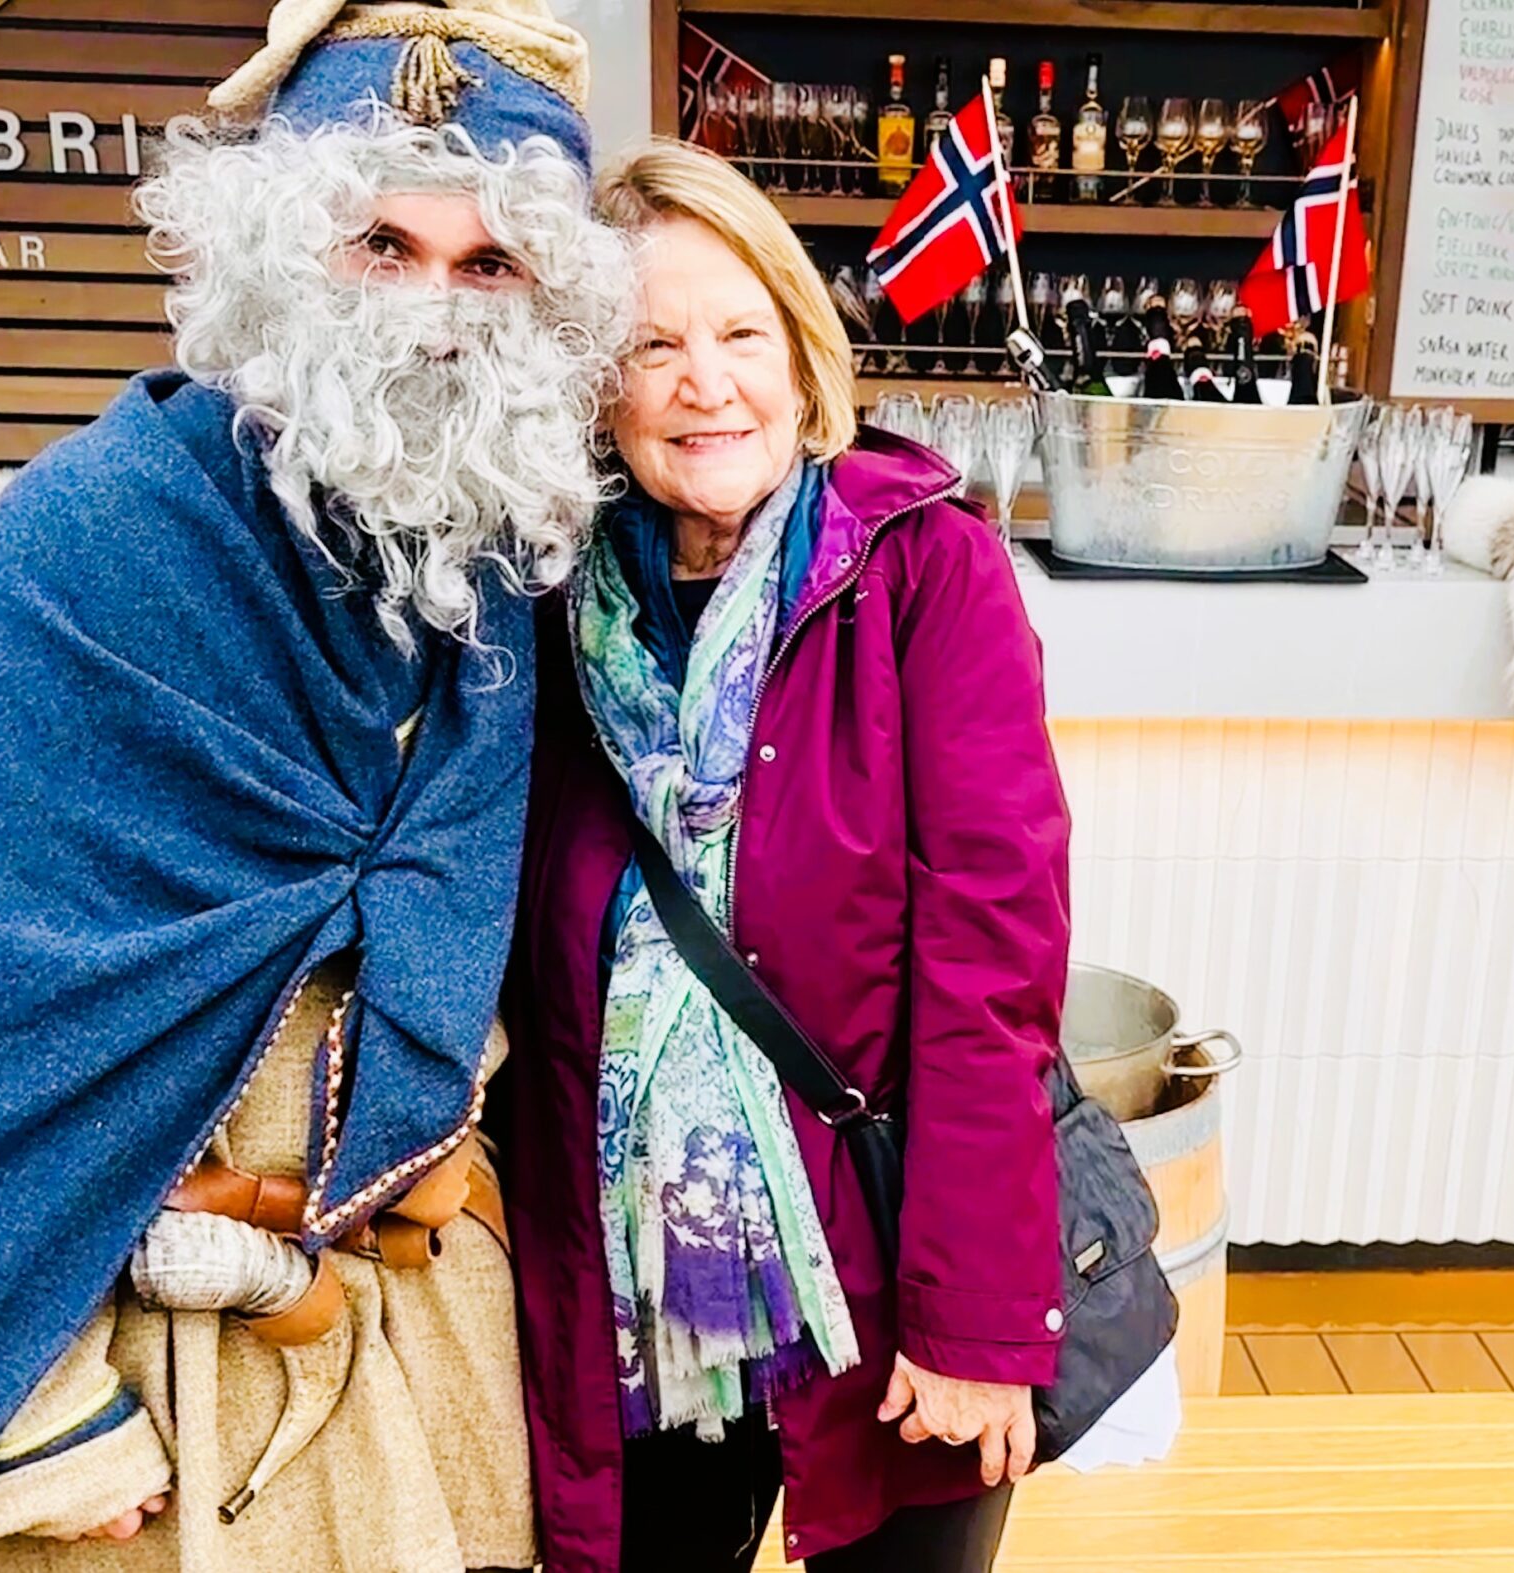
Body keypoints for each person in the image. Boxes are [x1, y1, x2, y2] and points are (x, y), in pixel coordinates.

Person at [0, 4, 634, 1570]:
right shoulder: (89, 542)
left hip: (401, 1306)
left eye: (490, 264)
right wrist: (37, 1429)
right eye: (384, 244)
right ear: (282, 255)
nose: (436, 313)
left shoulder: (501, 555)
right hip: (143, 1360)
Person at [496, 141, 1074, 1573]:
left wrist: (977, 1324)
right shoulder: (541, 609)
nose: (707, 380)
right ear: (596, 388)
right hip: (628, 1303)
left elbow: (990, 973)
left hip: (884, 1283)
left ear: (805, 366)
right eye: (654, 344)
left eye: (742, 333)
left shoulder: (927, 575)